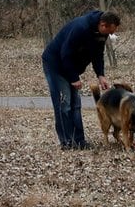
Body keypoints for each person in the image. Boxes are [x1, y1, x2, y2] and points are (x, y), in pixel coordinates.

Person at [42, 10, 121, 150]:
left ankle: (79, 141)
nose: (109, 35)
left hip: (71, 66)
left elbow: (98, 54)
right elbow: (65, 53)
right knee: (64, 104)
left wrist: (100, 74)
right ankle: (67, 142)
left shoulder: (101, 34)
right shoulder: (81, 28)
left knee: (76, 105)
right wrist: (74, 78)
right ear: (103, 25)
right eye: (109, 31)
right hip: (56, 65)